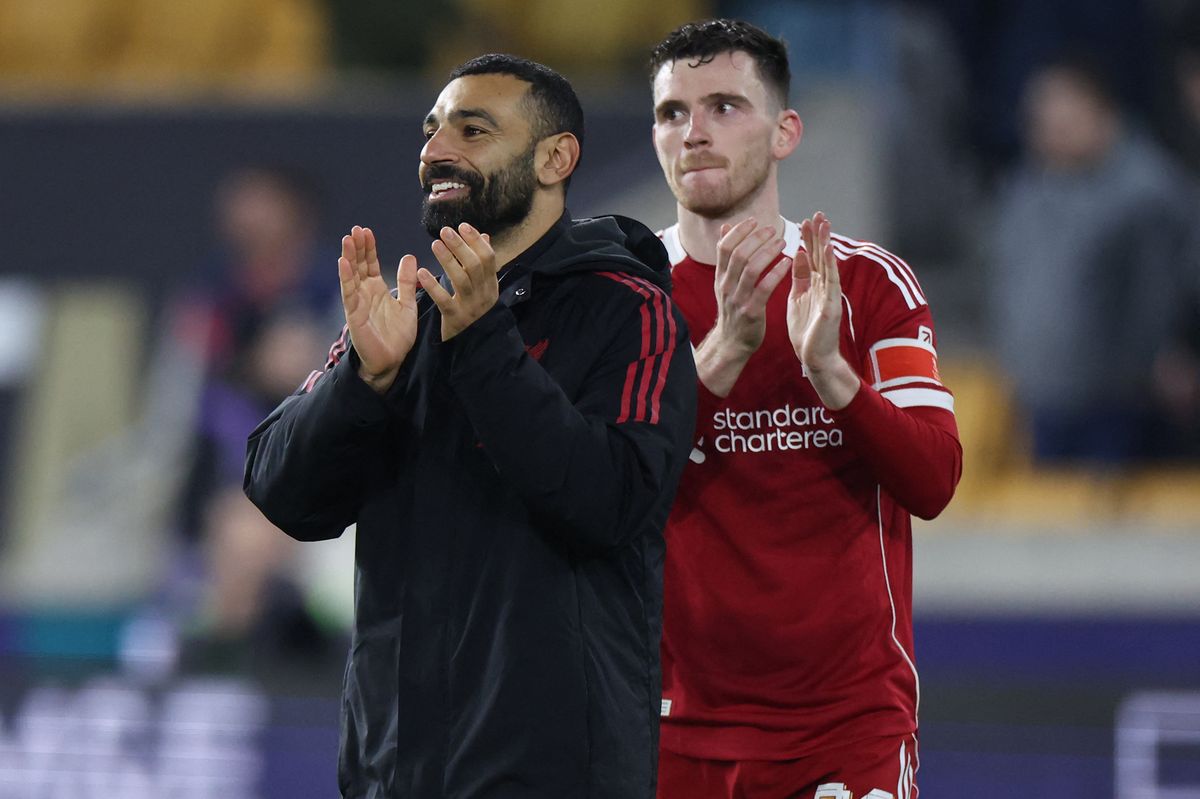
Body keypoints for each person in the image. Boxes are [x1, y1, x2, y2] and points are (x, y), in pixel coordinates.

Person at [243, 53, 697, 798]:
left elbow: (610, 500)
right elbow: (281, 491)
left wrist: (486, 340)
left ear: (557, 158)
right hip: (393, 773)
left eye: (473, 128)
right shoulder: (408, 319)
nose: (435, 149)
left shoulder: (627, 310)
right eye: (432, 128)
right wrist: (364, 380)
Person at [646, 20, 962, 798]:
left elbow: (935, 478)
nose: (694, 133)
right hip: (669, 726)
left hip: (847, 724)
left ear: (787, 130)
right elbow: (599, 483)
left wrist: (830, 374)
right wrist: (722, 352)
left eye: (724, 106)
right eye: (672, 113)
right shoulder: (624, 294)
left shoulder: (869, 285)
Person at [989, 54, 1194, 464]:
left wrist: (1158, 359)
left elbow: (1162, 296)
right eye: (1043, 121)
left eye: (1067, 119)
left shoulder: (1147, 194)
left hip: (1120, 403)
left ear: (1106, 116)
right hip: (1040, 394)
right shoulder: (1024, 190)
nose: (1053, 132)